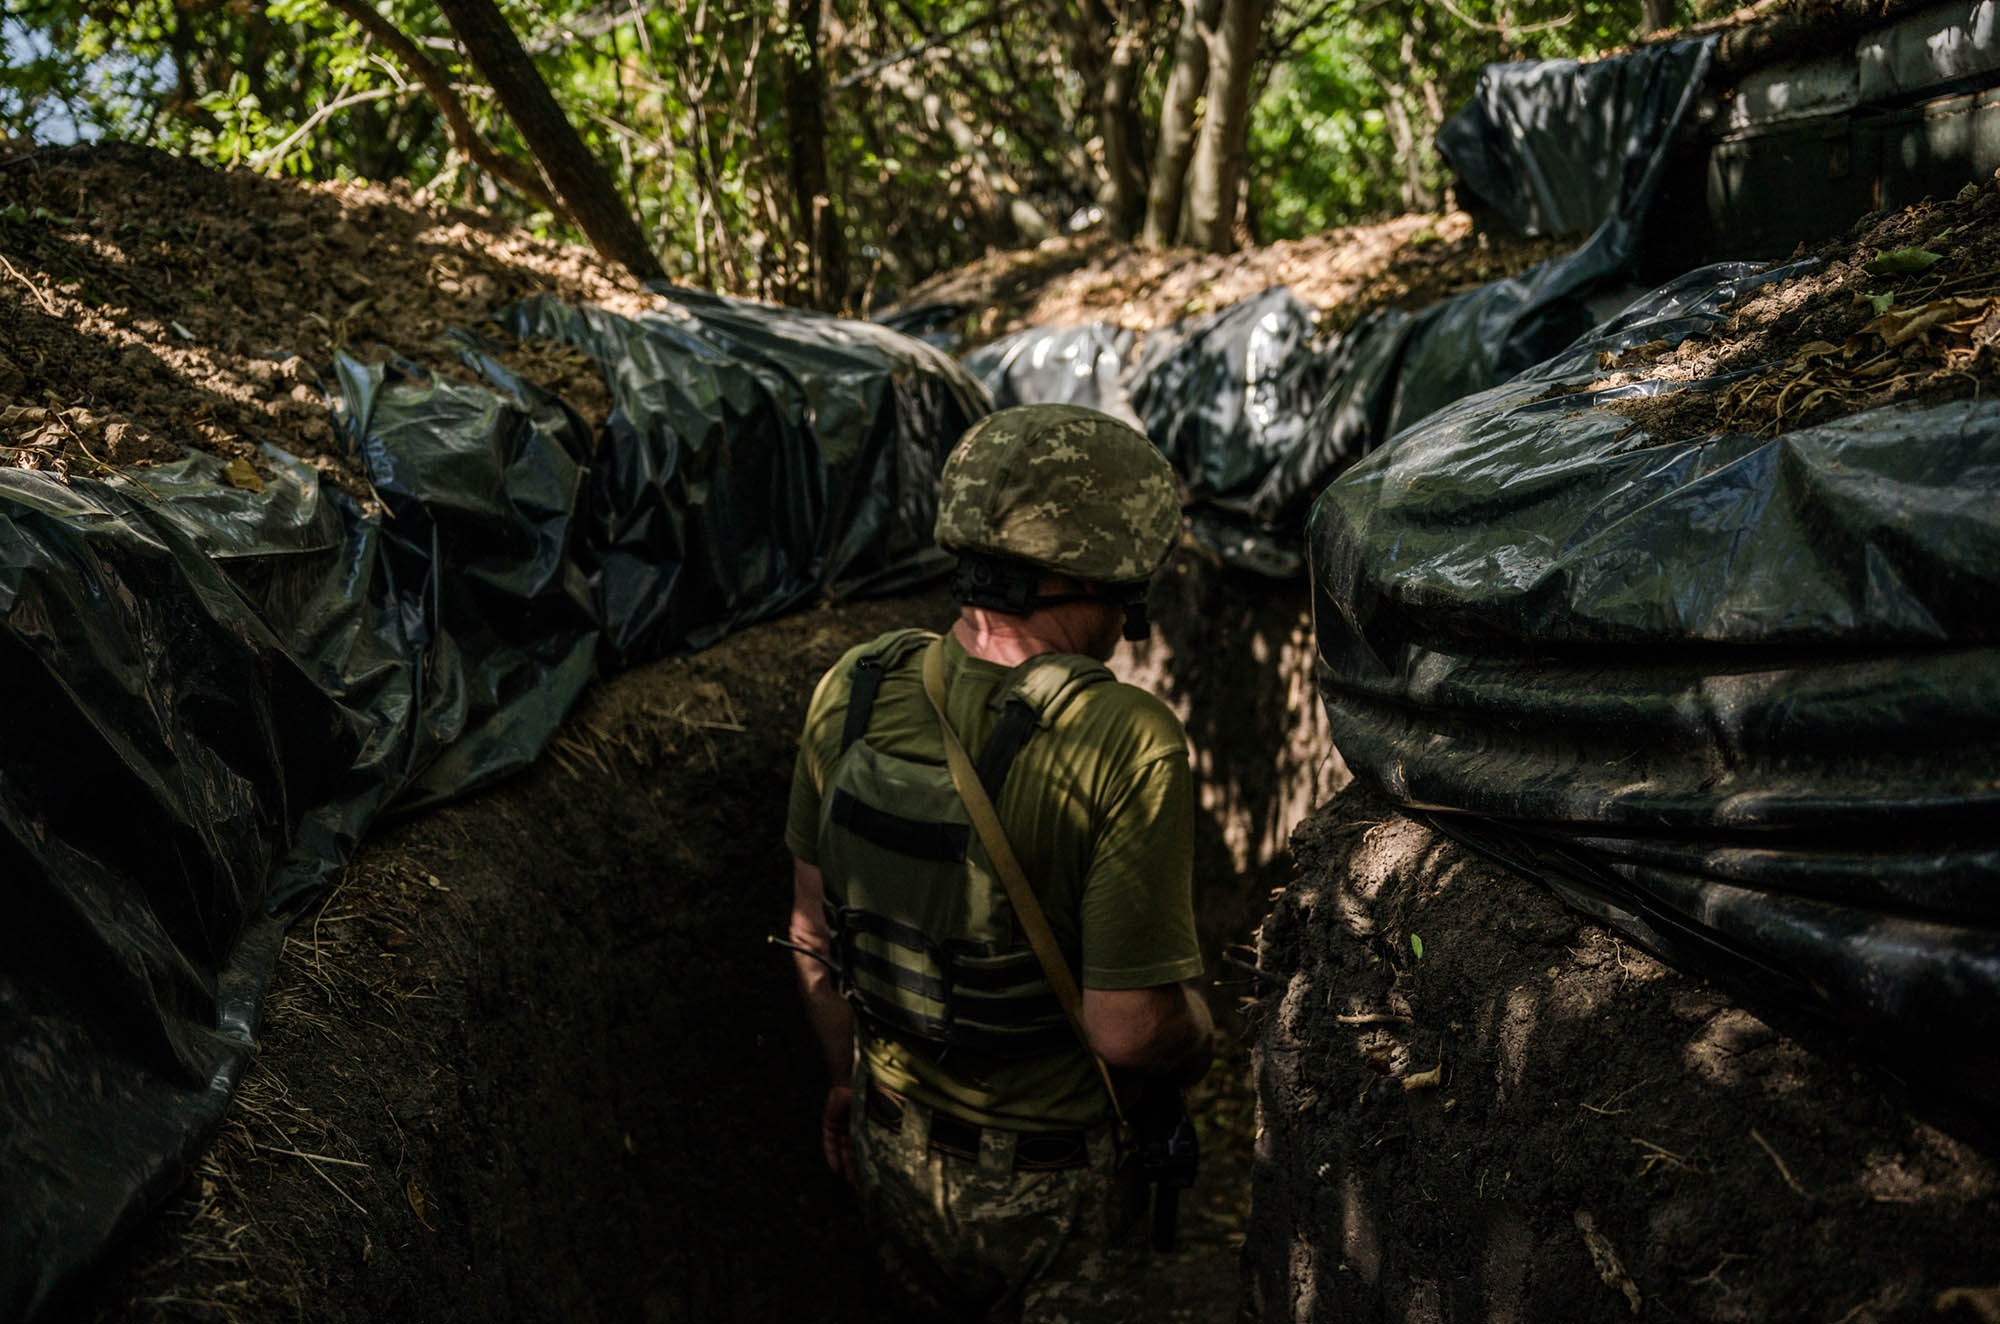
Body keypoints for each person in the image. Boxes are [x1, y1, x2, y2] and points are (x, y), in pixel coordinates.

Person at [783, 403, 1214, 1323]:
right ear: (1111, 571)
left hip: (889, 1158)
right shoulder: (1125, 739)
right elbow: (1131, 1031)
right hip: (1055, 1194)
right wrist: (1200, 1039)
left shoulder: (854, 687)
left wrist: (849, 1083)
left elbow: (811, 933)